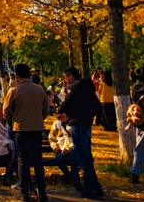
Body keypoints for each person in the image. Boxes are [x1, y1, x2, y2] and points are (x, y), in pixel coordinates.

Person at [3, 63, 50, 202]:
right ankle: (42, 192)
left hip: (20, 129)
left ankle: (24, 193)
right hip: (37, 129)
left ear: (16, 75)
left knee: (22, 160)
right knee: (37, 160)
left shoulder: (14, 90)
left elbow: (6, 111)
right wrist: (38, 119)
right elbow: (46, 109)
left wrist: (13, 122)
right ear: (30, 74)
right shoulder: (40, 89)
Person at [58, 66, 103, 199]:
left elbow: (67, 101)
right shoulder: (87, 85)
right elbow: (96, 104)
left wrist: (60, 109)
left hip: (77, 123)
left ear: (70, 76)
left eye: (65, 77)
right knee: (86, 154)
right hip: (86, 123)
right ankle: (94, 185)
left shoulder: (75, 87)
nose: (65, 80)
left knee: (83, 156)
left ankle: (91, 186)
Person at [49, 111, 80, 190]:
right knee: (59, 159)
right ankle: (67, 174)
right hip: (60, 148)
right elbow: (51, 138)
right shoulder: (56, 124)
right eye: (56, 114)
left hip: (71, 148)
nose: (58, 116)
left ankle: (74, 177)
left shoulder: (72, 125)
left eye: (60, 114)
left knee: (74, 155)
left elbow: (76, 140)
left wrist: (67, 149)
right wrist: (54, 147)